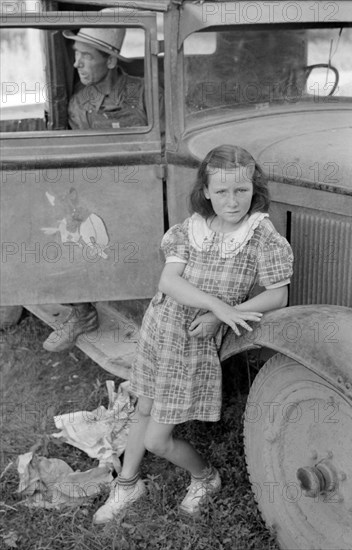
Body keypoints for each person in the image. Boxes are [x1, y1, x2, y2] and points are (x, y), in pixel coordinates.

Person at [92, 144, 294, 525]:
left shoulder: (260, 234)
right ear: (205, 190)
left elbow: (277, 294)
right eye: (221, 191)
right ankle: (128, 482)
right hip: (161, 328)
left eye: (241, 190)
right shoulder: (191, 228)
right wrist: (219, 306)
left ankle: (206, 477)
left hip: (193, 344)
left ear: (255, 188)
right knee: (144, 407)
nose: (232, 201)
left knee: (157, 439)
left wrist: (222, 317)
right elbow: (169, 281)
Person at [43, 26, 152, 352]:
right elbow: (83, 162)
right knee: (59, 227)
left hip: (146, 189)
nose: (77, 64)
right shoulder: (80, 103)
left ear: (110, 60)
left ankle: (155, 325)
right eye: (75, 56)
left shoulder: (144, 91)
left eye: (87, 56)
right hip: (103, 192)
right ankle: (82, 311)